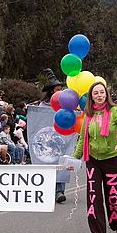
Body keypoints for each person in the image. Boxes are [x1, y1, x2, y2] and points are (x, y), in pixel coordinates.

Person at [70, 82, 117, 233]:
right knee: (94, 197)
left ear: (106, 95)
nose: (99, 95)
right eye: (95, 93)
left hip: (112, 159)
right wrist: (74, 159)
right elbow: (83, 140)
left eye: (102, 92)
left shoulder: (114, 112)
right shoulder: (88, 115)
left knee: (112, 197)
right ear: (91, 97)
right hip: (93, 160)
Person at [39, 68, 70, 204]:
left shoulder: (66, 105)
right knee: (49, 164)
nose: (60, 91)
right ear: (52, 91)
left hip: (61, 138)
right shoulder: (43, 105)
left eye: (61, 89)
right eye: (58, 89)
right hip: (47, 140)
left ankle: (60, 191)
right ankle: (48, 189)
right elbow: (38, 121)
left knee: (62, 163)